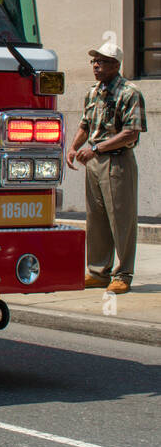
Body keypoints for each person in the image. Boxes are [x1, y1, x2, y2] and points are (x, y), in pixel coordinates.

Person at [67, 41, 147, 294]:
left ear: (116, 65)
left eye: (102, 61)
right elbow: (85, 124)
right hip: (94, 161)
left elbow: (130, 133)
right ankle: (98, 271)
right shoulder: (93, 92)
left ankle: (123, 274)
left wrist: (97, 149)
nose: (96, 66)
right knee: (96, 218)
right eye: (94, 61)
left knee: (121, 219)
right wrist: (73, 147)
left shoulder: (129, 92)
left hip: (117, 160)